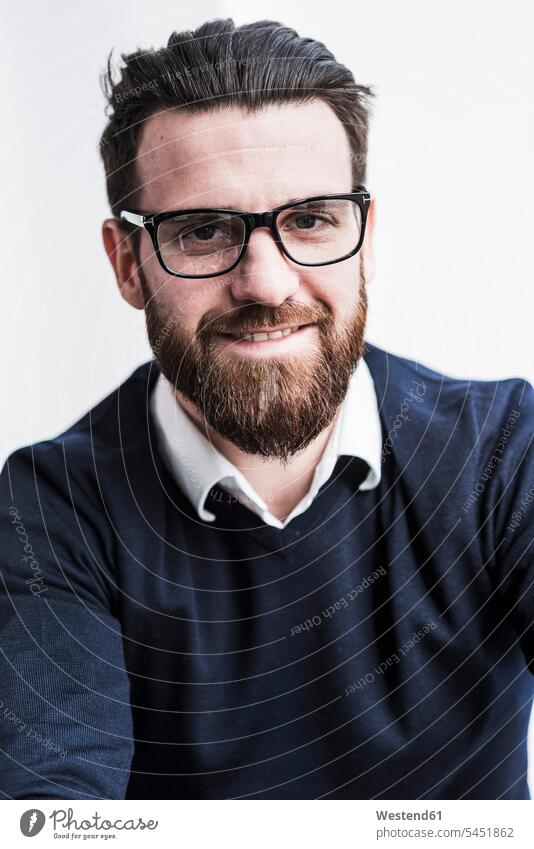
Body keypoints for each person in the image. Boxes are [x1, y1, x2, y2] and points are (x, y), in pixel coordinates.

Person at [1, 18, 533, 801]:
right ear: (126, 264)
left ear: (366, 236)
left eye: (310, 219)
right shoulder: (52, 509)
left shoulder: (503, 456)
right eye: (204, 231)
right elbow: (51, 810)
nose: (268, 284)